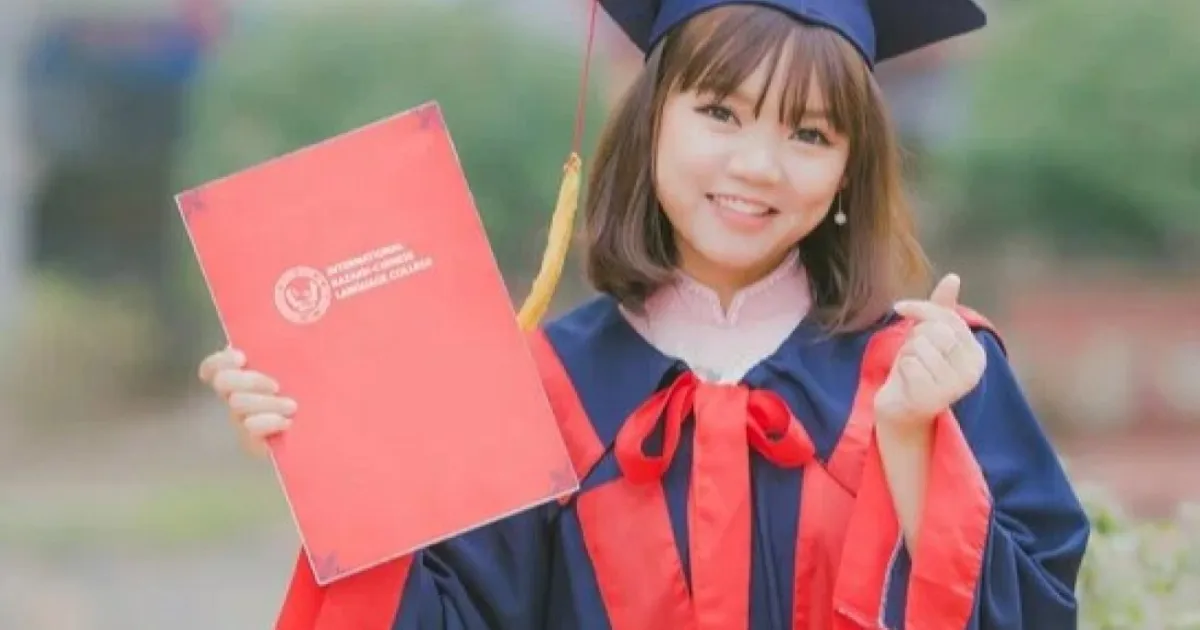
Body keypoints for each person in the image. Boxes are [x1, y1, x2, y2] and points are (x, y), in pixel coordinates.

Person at [197, 0, 1091, 628]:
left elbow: (1034, 612)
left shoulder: (929, 376)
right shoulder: (540, 392)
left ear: (851, 169)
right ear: (651, 121)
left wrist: (914, 453)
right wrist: (330, 460)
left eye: (810, 133)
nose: (758, 165)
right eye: (719, 112)